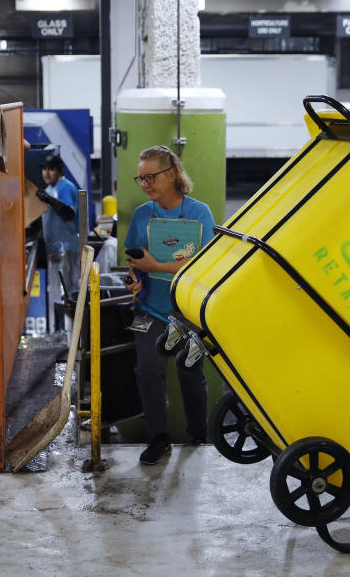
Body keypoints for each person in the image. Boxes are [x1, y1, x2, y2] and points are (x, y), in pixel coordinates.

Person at [125, 145, 216, 465]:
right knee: (148, 371)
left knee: (190, 371)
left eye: (151, 176)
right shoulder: (141, 215)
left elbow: (205, 265)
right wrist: (134, 277)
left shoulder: (199, 213)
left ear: (173, 173)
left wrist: (156, 268)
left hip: (186, 312)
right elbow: (134, 262)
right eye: (141, 178)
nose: (146, 183)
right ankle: (159, 438)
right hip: (150, 309)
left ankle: (198, 435)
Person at [36, 154, 80, 332]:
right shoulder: (49, 188)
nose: (47, 172)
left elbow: (68, 213)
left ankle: (70, 333)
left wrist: (48, 199)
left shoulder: (64, 187)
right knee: (56, 292)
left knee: (66, 290)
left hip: (66, 248)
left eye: (51, 169)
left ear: (60, 171)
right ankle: (61, 332)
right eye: (44, 168)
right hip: (54, 250)